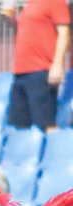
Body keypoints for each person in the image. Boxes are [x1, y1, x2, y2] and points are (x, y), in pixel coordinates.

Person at [4, 0, 70, 132]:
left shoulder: (55, 2)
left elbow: (64, 33)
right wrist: (10, 18)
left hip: (40, 70)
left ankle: (56, 151)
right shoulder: (29, 5)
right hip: (21, 71)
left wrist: (57, 64)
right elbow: (27, 32)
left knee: (45, 122)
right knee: (19, 123)